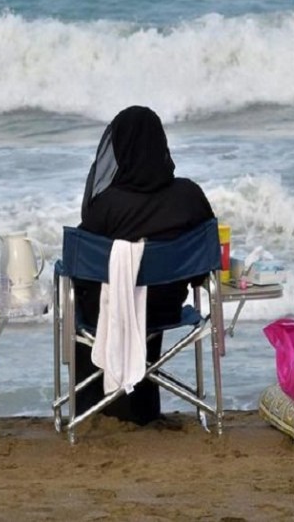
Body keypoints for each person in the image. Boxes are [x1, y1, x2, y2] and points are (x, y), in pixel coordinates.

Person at [75, 105, 215, 425]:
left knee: (86, 301)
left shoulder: (106, 206)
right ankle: (143, 407)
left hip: (110, 314)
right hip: (167, 309)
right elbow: (203, 266)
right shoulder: (190, 196)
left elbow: (81, 269)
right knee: (148, 296)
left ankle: (95, 407)